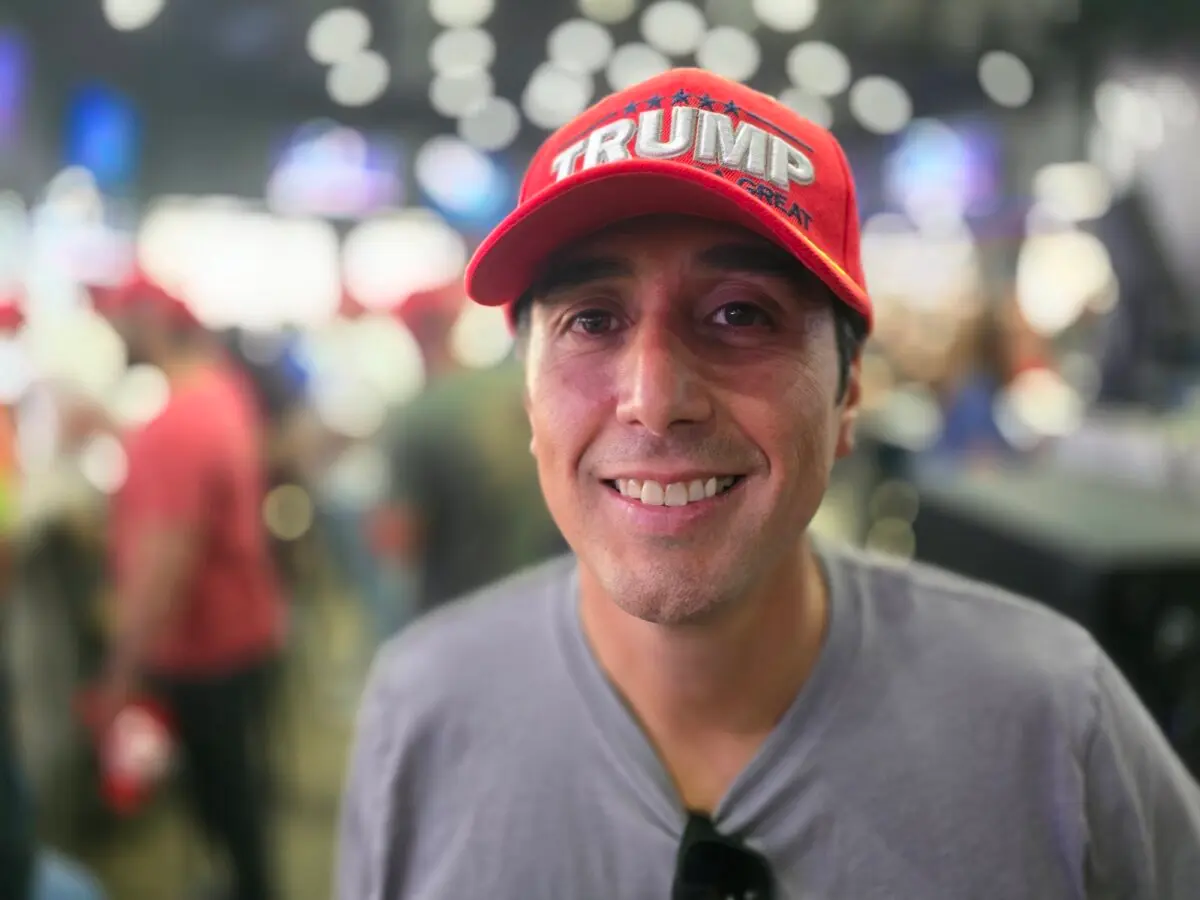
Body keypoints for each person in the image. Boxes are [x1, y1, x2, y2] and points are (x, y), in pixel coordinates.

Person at [336, 69, 1200, 899]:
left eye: (740, 314)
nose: (654, 399)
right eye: (590, 320)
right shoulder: (420, 712)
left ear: (849, 389)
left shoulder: (1054, 724)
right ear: (528, 391)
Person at [92, 276, 284, 900]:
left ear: (149, 323)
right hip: (243, 636)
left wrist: (120, 672)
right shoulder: (221, 393)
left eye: (119, 321)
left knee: (222, 806)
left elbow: (163, 566)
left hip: (205, 652)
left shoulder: (175, 424)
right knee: (238, 805)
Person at [370, 282, 567, 624]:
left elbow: (398, 538)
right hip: (552, 598)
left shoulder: (415, 418)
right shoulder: (515, 387)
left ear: (408, 334)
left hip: (461, 613)